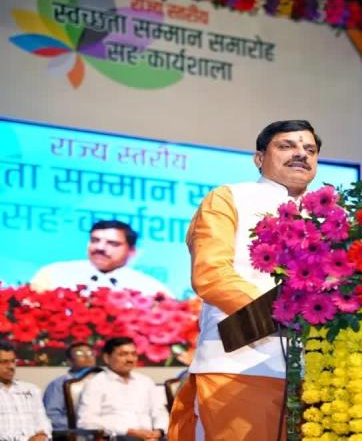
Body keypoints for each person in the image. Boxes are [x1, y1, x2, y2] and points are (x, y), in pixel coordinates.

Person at [168, 120, 322, 441]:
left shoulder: (329, 215)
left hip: (319, 376)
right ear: (259, 158)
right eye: (286, 146)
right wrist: (282, 314)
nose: (301, 154)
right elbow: (211, 273)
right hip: (240, 366)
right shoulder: (230, 198)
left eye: (309, 149)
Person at [29, 220, 173, 296]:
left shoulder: (150, 289)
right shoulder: (53, 274)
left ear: (131, 251)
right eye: (95, 240)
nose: (100, 248)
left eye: (112, 243)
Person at [77, 337, 168, 440]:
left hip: (151, 437)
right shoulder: (96, 383)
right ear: (107, 358)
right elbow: (86, 421)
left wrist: (159, 431)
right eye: (123, 354)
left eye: (134, 354)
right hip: (117, 437)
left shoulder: (146, 382)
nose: (130, 359)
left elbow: (160, 412)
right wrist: (128, 431)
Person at [0, 341, 51, 441]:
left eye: (13, 361)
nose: (11, 366)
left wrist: (43, 434)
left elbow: (43, 420)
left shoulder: (31, 389)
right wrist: (26, 439)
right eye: (4, 362)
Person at [43, 342, 97, 430]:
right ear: (70, 361)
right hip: (72, 433)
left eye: (90, 353)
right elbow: (52, 416)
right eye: (80, 354)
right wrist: (80, 425)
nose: (87, 356)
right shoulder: (59, 384)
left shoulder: (104, 381)